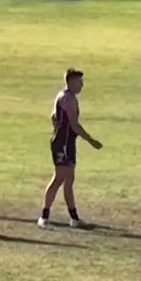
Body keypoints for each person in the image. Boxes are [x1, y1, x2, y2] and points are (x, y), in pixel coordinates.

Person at [39, 68, 103, 229]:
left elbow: (53, 117)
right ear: (71, 82)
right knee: (59, 178)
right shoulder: (69, 99)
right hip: (63, 144)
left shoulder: (63, 96)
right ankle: (44, 216)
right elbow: (74, 125)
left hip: (66, 142)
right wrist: (91, 140)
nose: (82, 85)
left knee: (69, 180)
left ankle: (74, 218)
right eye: (79, 82)